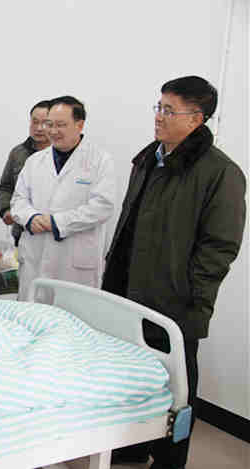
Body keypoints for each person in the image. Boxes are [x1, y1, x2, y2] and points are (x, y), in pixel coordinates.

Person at [102, 76, 246, 469]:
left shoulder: (220, 172)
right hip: (129, 293)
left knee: (177, 389)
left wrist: (191, 295)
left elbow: (220, 247)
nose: (159, 116)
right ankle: (132, 446)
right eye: (159, 107)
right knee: (133, 378)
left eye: (169, 110)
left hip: (176, 302)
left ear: (196, 119)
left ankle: (170, 461)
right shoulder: (148, 159)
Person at [12, 96, 116, 302]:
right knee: (32, 314)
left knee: (74, 315)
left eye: (60, 125)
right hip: (35, 256)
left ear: (80, 125)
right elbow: (18, 200)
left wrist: (57, 222)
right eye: (49, 124)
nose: (53, 131)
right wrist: (31, 217)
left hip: (75, 263)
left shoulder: (100, 160)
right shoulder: (34, 161)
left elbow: (103, 206)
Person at [0, 100, 51, 246]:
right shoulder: (18, 153)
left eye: (45, 123)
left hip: (51, 231)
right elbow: (6, 186)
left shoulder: (60, 155)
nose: (38, 128)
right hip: (22, 231)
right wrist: (5, 210)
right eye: (35, 122)